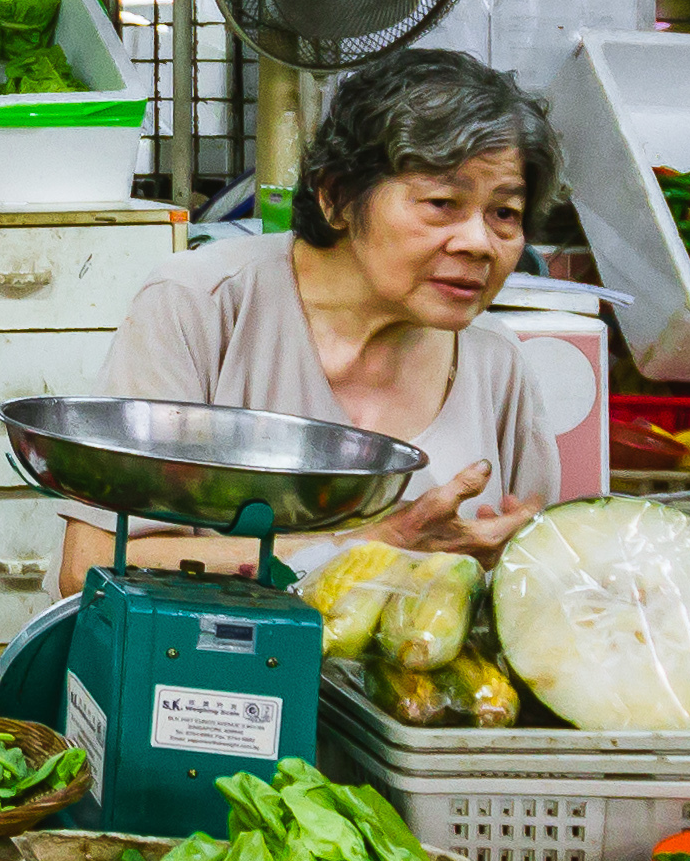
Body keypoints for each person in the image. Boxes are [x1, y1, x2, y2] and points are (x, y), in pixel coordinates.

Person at [50, 45, 567, 595]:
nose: (478, 243)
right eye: (442, 202)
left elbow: (544, 577)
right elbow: (88, 567)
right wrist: (361, 551)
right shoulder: (204, 305)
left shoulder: (496, 359)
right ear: (338, 197)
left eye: (504, 214)